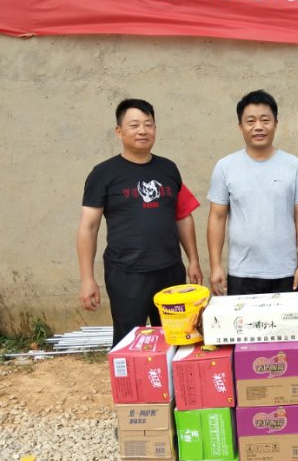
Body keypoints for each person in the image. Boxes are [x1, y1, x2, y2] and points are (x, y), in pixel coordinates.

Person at [77, 98, 203, 347]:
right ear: (119, 131)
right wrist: (87, 279)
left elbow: (182, 216)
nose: (143, 131)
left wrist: (194, 260)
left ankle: (169, 375)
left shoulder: (168, 169)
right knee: (128, 343)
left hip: (170, 271)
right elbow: (88, 227)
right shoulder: (103, 173)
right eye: (134, 125)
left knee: (175, 339)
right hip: (126, 274)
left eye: (148, 124)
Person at [207, 89, 298, 296]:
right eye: (250, 121)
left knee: (287, 320)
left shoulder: (295, 166)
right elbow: (217, 218)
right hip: (241, 272)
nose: (258, 127)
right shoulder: (225, 166)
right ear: (240, 126)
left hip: (286, 271)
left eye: (265, 120)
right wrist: (215, 265)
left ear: (275, 124)